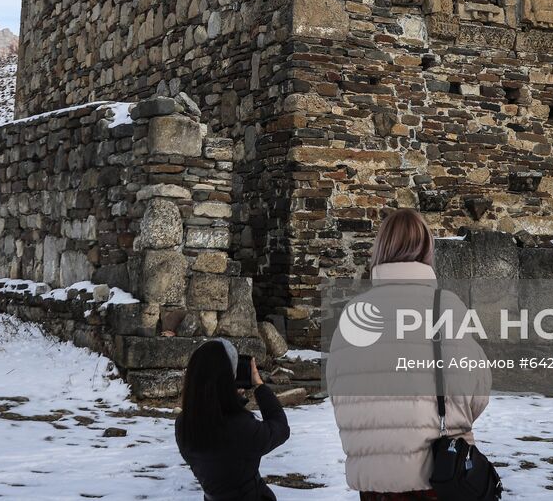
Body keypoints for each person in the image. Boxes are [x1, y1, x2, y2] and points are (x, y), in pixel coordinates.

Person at [328, 209, 491, 500]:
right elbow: (477, 391)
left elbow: (340, 395)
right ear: (428, 249)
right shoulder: (447, 307)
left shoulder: (353, 314)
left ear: (380, 250)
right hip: (439, 477)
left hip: (376, 482)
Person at [176, 338, 290, 500]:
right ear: (228, 380)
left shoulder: (183, 424)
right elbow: (279, 429)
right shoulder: (240, 427)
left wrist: (234, 399)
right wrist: (259, 386)